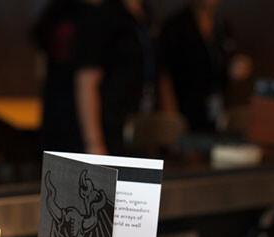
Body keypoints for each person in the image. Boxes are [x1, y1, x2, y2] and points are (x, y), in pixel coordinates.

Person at [33, 0, 154, 155]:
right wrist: (94, 143)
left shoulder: (142, 17)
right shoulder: (98, 16)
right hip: (95, 131)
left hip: (129, 125)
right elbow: (87, 82)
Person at [157, 0, 252, 132]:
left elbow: (226, 64)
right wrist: (172, 122)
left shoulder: (222, 27)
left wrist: (236, 69)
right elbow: (164, 76)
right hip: (186, 115)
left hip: (217, 115)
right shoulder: (176, 26)